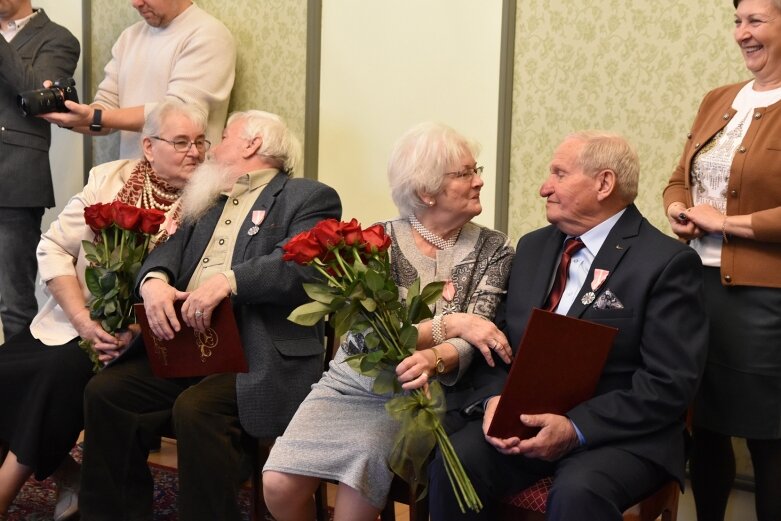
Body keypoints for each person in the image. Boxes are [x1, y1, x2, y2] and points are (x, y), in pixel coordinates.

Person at [428, 131, 709, 520]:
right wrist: (495, 402)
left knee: (579, 493)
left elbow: (668, 383)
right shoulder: (533, 247)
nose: (545, 187)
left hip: (617, 435)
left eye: (559, 174)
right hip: (524, 421)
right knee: (455, 461)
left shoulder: (665, 263)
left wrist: (575, 427)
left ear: (604, 183)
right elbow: (502, 344)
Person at [78, 109, 341, 521]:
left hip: (257, 355)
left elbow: (298, 266)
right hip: (190, 348)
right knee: (108, 393)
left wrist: (229, 282)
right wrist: (154, 281)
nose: (210, 150)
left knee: (197, 409)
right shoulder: (208, 200)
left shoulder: (308, 197)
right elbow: (169, 251)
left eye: (222, 138)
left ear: (252, 144)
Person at [262, 122, 515, 521]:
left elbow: (481, 331)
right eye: (465, 173)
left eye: (476, 170)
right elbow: (368, 341)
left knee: (355, 497)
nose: (479, 181)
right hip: (349, 386)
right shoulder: (375, 241)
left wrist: (437, 356)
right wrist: (452, 325)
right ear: (425, 192)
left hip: (413, 394)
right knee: (277, 484)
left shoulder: (494, 247)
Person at [0, 99, 207, 521]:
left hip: (144, 342)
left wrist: (130, 330)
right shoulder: (108, 180)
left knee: (55, 377)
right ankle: (71, 477)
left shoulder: (210, 200)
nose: (196, 152)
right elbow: (54, 246)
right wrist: (82, 319)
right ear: (149, 147)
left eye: (201, 142)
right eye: (182, 142)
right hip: (73, 321)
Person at [663, 1, 781, 519]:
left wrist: (724, 223)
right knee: (704, 428)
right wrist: (678, 209)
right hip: (695, 287)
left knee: (767, 437)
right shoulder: (718, 100)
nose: (742, 34)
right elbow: (678, 177)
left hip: (762, 299)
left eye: (756, 21)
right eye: (737, 21)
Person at [43, 0, 235, 159]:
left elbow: (176, 114)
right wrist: (63, 113)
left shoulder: (209, 34)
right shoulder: (129, 37)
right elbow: (106, 112)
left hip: (186, 187)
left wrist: (94, 116)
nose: (135, 3)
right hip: (134, 184)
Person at [0, 0, 79, 340]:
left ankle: (14, 387)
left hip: (15, 180)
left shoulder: (58, 38)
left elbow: (40, 98)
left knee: (13, 300)